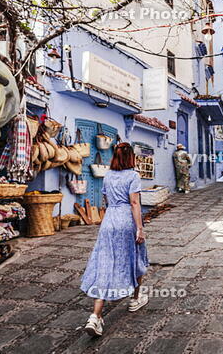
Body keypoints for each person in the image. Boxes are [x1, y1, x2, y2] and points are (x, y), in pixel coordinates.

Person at [81, 142, 149, 337]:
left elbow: (105, 200)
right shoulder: (133, 176)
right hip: (126, 220)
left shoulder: (108, 175)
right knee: (136, 258)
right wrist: (139, 228)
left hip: (109, 221)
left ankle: (95, 316)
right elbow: (134, 202)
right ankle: (135, 299)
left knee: (105, 263)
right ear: (131, 158)